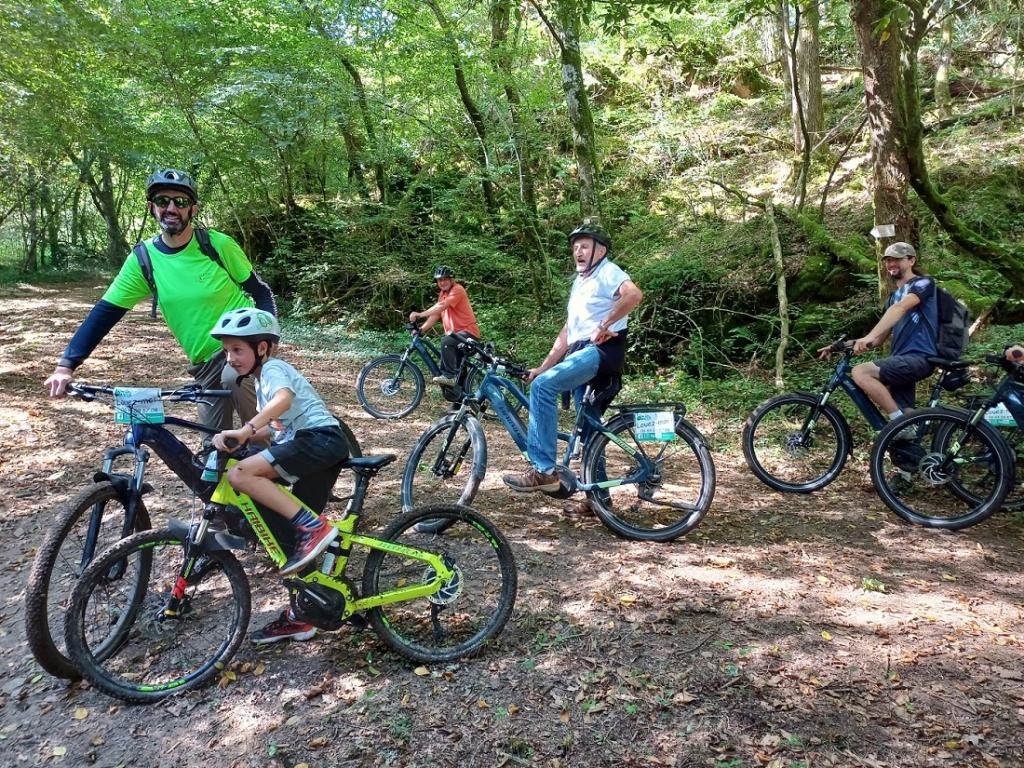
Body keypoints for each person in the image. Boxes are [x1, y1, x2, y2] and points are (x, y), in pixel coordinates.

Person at [44, 168, 276, 431]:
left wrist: (269, 342)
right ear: (151, 208)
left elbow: (261, 292)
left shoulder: (217, 245)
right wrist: (66, 366)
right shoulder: (144, 259)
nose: (171, 208)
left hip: (242, 347)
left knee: (257, 434)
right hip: (203, 364)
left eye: (181, 202)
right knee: (213, 449)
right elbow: (105, 313)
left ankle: (274, 458)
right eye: (163, 201)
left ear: (194, 209)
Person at [210, 307, 350, 644]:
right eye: (227, 350)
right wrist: (239, 436)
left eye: (238, 350)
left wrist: (246, 428)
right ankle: (305, 613)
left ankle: (315, 527)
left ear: (262, 348)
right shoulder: (261, 383)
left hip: (319, 440)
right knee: (290, 540)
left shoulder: (273, 369)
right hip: (316, 447)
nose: (231, 358)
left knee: (241, 476)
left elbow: (284, 402)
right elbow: (275, 429)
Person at [502, 223, 643, 495]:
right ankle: (598, 499)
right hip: (581, 353)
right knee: (590, 431)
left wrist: (605, 323)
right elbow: (568, 331)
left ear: (600, 250)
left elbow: (634, 295)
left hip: (600, 353)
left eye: (585, 246)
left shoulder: (608, 271)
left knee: (543, 387)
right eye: (575, 247)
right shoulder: (582, 282)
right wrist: (543, 367)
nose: (578, 251)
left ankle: (543, 471)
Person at [819, 241, 937, 420]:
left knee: (860, 371)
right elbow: (878, 340)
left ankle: (896, 424)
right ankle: (908, 437)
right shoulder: (892, 299)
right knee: (907, 417)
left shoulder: (923, 283)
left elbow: (901, 308)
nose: (891, 264)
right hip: (901, 359)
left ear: (911, 260)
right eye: (888, 260)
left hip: (919, 357)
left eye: (897, 259)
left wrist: (868, 335)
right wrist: (839, 346)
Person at [408, 265, 480, 387]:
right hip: (457, 336)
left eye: (445, 279)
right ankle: (458, 401)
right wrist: (422, 329)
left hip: (468, 333)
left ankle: (448, 375)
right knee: (459, 369)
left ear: (451, 279)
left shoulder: (458, 289)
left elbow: (442, 306)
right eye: (439, 280)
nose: (442, 282)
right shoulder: (443, 294)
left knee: (446, 341)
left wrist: (420, 314)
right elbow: (436, 314)